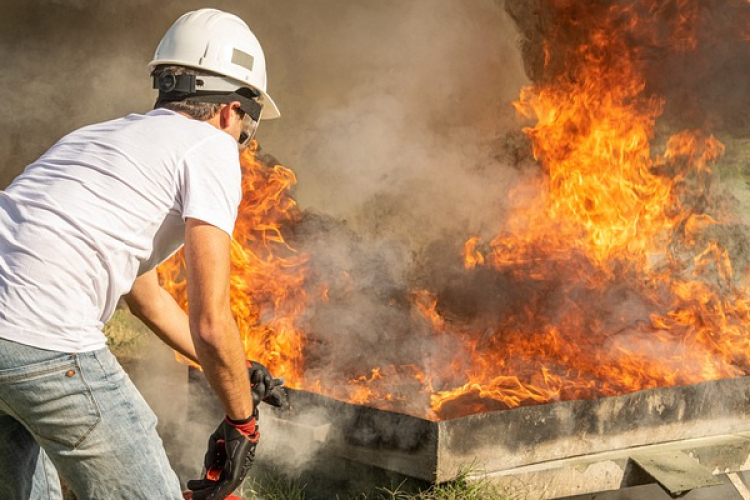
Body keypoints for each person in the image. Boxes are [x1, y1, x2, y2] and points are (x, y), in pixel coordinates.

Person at [0, 8, 281, 500]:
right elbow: (212, 322)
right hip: (41, 334)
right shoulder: (210, 147)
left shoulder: (97, 137)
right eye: (248, 129)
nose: (244, 143)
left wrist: (240, 371)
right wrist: (244, 422)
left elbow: (144, 296)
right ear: (230, 110)